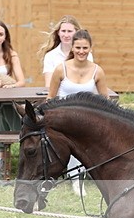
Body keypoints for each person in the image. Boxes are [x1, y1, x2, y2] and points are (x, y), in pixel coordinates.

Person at [47, 29, 110, 194]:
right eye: (78, 48)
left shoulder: (98, 71)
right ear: (72, 49)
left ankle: (87, 174)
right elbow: (51, 98)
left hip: (86, 118)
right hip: (63, 118)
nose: (81, 52)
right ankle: (75, 179)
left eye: (85, 48)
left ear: (90, 49)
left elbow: (106, 101)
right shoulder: (61, 69)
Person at [39, 15, 93, 89]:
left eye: (70, 31)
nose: (66, 35)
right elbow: (49, 85)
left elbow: (88, 82)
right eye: (63, 31)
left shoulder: (87, 55)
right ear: (58, 32)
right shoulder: (50, 56)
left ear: (76, 33)